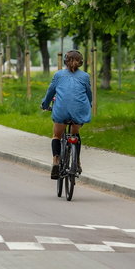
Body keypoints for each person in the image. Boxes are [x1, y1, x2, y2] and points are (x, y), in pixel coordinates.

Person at [41, 50, 93, 179]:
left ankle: (56, 161)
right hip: (79, 111)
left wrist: (45, 105)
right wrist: (89, 104)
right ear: (81, 63)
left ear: (65, 61)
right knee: (75, 135)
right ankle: (78, 162)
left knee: (57, 136)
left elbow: (50, 93)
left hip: (61, 111)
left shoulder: (58, 75)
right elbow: (89, 94)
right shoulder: (85, 76)